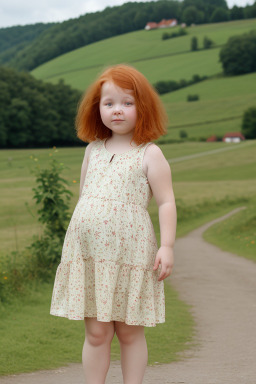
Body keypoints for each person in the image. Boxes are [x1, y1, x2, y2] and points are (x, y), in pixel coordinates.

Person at [50, 64, 177, 384]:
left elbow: (166, 202)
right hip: (91, 256)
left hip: (131, 255)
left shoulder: (150, 153)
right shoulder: (92, 151)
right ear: (98, 109)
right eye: (109, 103)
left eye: (127, 103)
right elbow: (85, 198)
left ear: (143, 108)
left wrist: (167, 246)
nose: (116, 110)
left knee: (130, 332)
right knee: (96, 332)